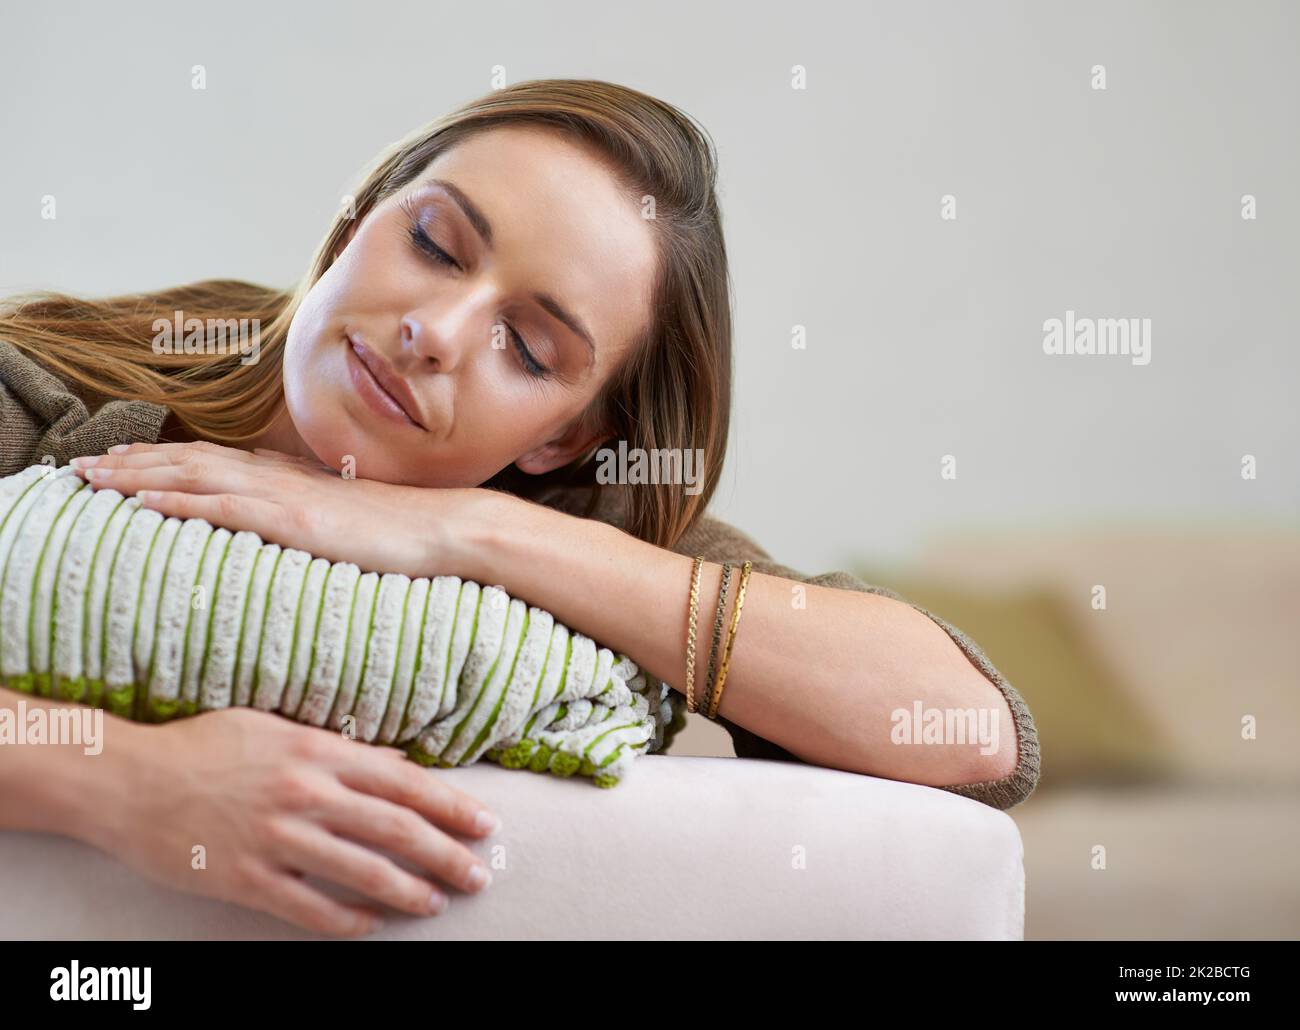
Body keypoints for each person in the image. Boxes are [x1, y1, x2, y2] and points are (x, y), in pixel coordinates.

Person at [0, 79, 1040, 937]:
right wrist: (131, 781)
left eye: (530, 348)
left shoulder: (571, 513)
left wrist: (471, 531)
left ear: (562, 438)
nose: (436, 331)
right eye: (436, 245)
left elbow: (970, 731)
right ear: (357, 222)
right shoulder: (45, 383)